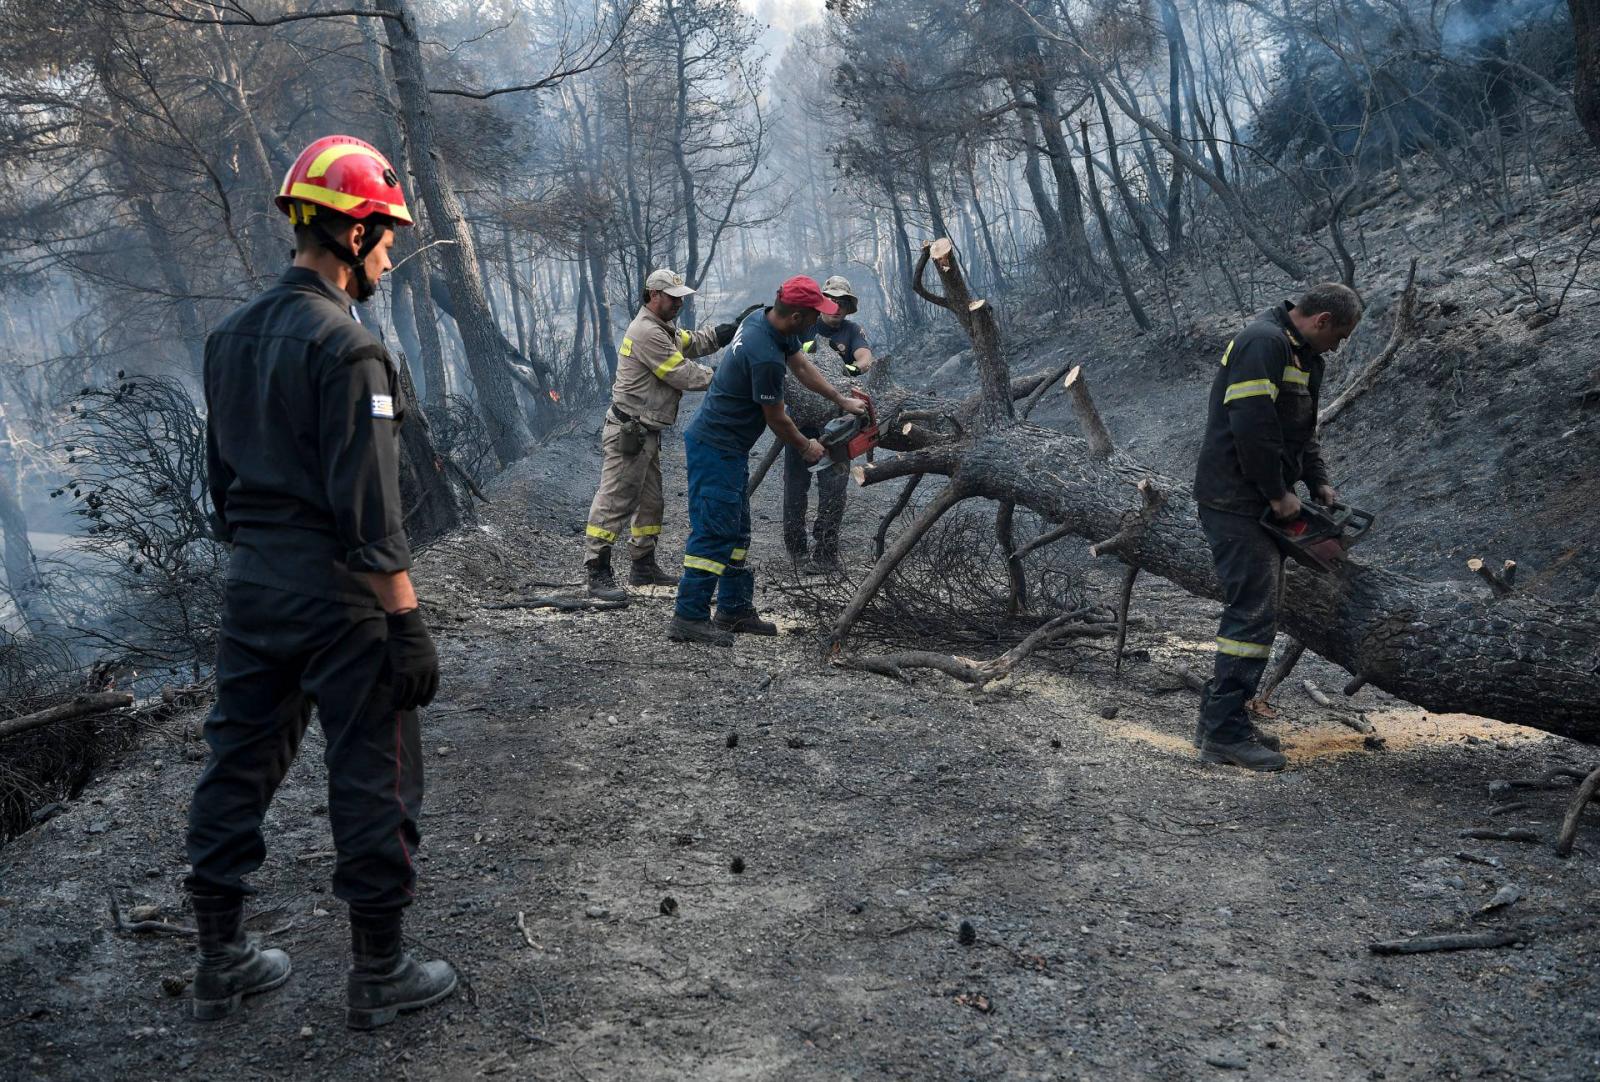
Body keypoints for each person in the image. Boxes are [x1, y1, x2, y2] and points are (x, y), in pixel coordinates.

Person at [184, 135, 454, 1028]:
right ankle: (380, 972)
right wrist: (406, 623)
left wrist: (259, 554)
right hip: (340, 598)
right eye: (384, 237)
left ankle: (221, 957)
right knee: (373, 772)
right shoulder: (350, 351)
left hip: (254, 584)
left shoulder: (229, 338)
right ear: (351, 233)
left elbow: (221, 480)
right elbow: (371, 514)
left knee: (238, 763)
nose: (388, 255)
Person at [1192, 283, 1363, 771]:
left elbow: (1299, 432)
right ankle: (1225, 733)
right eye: (1342, 335)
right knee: (1252, 613)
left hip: (1259, 499)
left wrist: (1318, 482)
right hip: (1234, 499)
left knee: (1258, 609)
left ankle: (1216, 721)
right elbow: (1251, 425)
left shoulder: (1305, 356)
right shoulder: (1263, 342)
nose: (1340, 345)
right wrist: (1277, 493)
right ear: (1323, 319)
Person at [670, 276, 868, 645]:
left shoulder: (766, 320)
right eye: (814, 314)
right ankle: (689, 615)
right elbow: (777, 417)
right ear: (796, 315)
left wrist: (841, 400)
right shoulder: (763, 355)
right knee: (715, 530)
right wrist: (807, 446)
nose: (818, 320)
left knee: (739, 529)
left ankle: (733, 608)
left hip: (732, 447)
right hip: (715, 445)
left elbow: (804, 366)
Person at [582, 269, 737, 600]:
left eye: (681, 297)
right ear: (654, 295)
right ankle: (597, 570)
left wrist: (726, 332)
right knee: (616, 499)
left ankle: (643, 566)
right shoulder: (647, 333)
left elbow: (690, 342)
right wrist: (727, 374)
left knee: (651, 503)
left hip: (646, 430)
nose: (679, 302)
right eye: (673, 297)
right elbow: (681, 373)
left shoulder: (663, 328)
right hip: (630, 430)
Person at [783, 275, 877, 572]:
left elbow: (865, 358)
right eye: (831, 301)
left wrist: (849, 369)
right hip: (799, 421)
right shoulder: (805, 327)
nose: (836, 307)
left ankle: (825, 553)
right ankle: (796, 550)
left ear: (849, 307)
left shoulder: (852, 331)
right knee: (795, 486)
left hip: (838, 424)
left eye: (842, 302)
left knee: (833, 488)